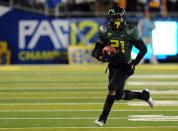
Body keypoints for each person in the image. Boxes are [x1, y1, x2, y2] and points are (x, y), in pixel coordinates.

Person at [92, 6, 155, 127]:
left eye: (119, 18)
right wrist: (102, 56)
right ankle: (143, 95)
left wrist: (134, 64)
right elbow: (95, 51)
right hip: (113, 65)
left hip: (125, 66)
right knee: (118, 95)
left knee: (112, 87)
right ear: (110, 19)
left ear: (123, 19)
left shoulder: (129, 31)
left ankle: (102, 118)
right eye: (115, 18)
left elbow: (143, 49)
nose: (117, 21)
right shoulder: (105, 31)